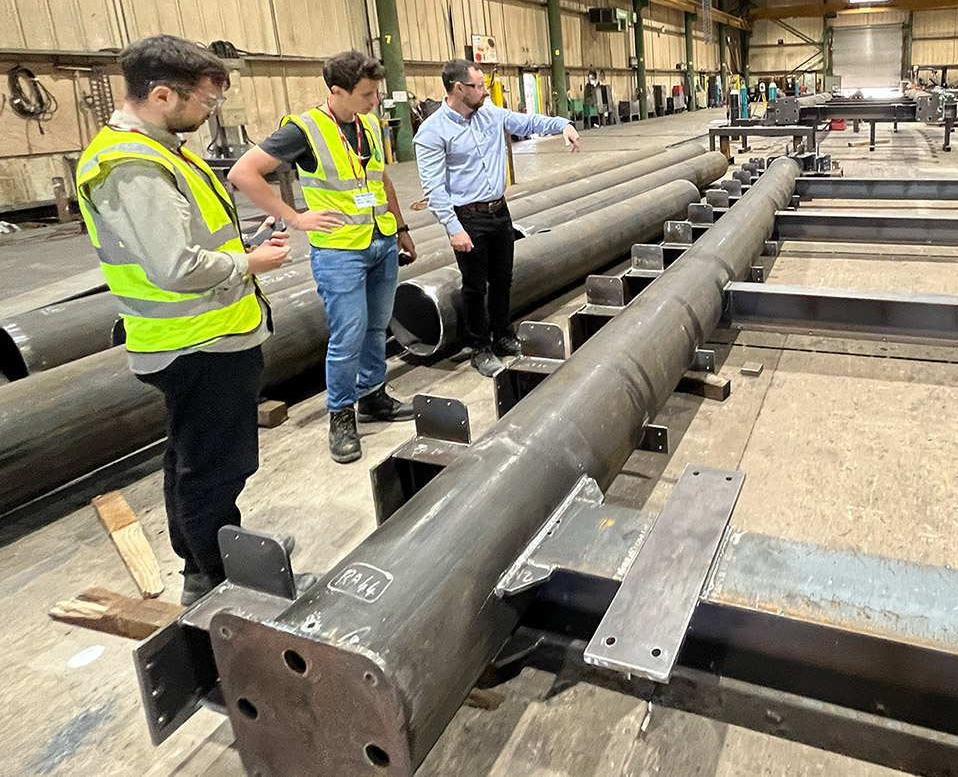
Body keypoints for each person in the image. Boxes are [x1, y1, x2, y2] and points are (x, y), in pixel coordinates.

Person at [75, 35, 289, 604]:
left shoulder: (160, 147)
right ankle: (213, 578)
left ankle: (203, 557)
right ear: (163, 94)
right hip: (194, 340)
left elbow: (187, 236)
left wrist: (245, 246)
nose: (210, 113)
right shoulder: (131, 165)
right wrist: (248, 261)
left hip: (207, 333)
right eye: (206, 102)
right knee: (215, 466)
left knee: (193, 457)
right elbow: (174, 265)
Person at [229, 51, 416, 464]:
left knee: (375, 328)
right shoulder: (305, 129)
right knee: (348, 335)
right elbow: (243, 173)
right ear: (337, 91)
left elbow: (379, 178)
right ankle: (342, 415)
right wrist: (294, 218)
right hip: (339, 252)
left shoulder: (367, 123)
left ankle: (373, 396)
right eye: (367, 93)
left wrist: (400, 229)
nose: (374, 100)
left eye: (376, 92)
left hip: (380, 241)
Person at [415, 59, 580, 377]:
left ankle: (503, 334)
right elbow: (434, 187)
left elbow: (527, 122)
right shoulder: (432, 132)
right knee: (475, 287)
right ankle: (480, 347)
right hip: (468, 218)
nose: (486, 92)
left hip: (499, 212)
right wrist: (453, 227)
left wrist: (562, 125)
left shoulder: (491, 115)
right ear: (459, 89)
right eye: (480, 87)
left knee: (503, 278)